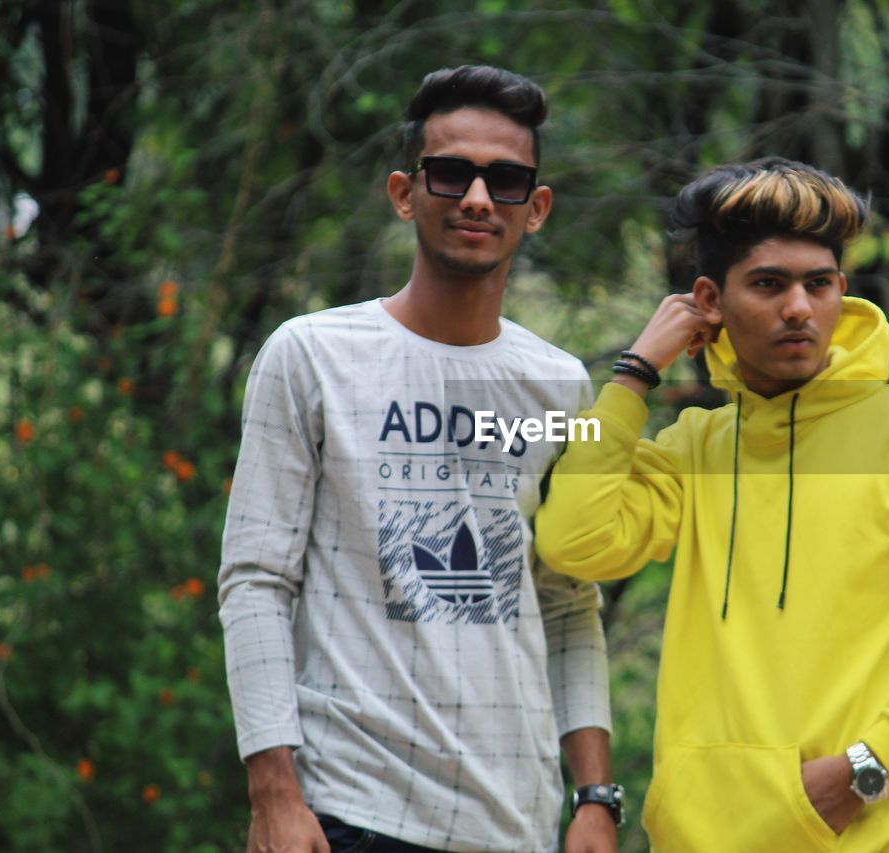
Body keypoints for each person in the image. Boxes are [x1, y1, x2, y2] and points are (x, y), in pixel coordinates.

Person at [535, 157, 889, 851]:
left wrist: (866, 764)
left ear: (841, 290)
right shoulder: (696, 446)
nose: (799, 307)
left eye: (818, 284)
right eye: (769, 284)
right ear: (709, 300)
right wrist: (633, 377)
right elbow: (575, 541)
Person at [218, 65, 620, 853]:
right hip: (352, 813)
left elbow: (569, 602)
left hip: (519, 822)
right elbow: (256, 581)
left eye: (505, 180)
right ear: (405, 192)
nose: (477, 198)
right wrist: (274, 790)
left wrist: (596, 798)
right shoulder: (311, 357)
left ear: (535, 209)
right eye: (451, 173)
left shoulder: (559, 384)